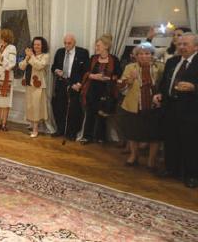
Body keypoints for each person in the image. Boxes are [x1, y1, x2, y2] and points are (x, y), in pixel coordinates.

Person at [153, 32, 198, 188]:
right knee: (171, 140)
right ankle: (171, 169)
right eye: (179, 44)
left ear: (196, 46)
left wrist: (194, 87)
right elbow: (164, 83)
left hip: (191, 111)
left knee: (190, 143)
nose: (181, 47)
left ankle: (192, 175)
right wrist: (159, 94)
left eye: (185, 44)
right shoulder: (172, 61)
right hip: (170, 108)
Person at [117, 42, 164, 171]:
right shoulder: (130, 67)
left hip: (154, 105)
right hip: (134, 105)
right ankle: (134, 156)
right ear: (136, 56)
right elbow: (120, 86)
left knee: (154, 134)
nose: (144, 56)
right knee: (133, 133)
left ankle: (151, 161)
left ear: (152, 55)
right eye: (140, 54)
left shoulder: (159, 68)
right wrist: (129, 80)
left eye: (147, 53)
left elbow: (165, 85)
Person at [80, 34, 121, 144]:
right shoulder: (93, 58)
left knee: (102, 115)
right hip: (92, 90)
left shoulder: (114, 60)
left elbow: (118, 76)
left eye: (98, 45)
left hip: (106, 91)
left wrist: (107, 78)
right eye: (96, 45)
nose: (96, 47)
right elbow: (85, 73)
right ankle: (87, 136)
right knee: (90, 114)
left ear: (106, 46)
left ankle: (100, 137)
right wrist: (94, 76)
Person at [50, 34, 89, 140]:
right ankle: (60, 130)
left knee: (74, 110)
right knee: (59, 108)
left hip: (75, 85)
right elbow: (53, 67)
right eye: (65, 43)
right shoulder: (60, 52)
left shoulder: (82, 53)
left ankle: (71, 133)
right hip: (61, 84)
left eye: (69, 43)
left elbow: (86, 71)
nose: (66, 45)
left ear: (74, 43)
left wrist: (80, 84)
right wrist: (56, 70)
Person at [19, 37, 50, 138]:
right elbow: (21, 66)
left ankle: (35, 129)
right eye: (35, 44)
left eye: (38, 45)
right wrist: (27, 58)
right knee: (30, 106)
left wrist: (31, 56)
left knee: (36, 107)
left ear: (42, 46)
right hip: (28, 83)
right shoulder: (30, 56)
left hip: (38, 85)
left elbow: (39, 66)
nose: (36, 46)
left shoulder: (45, 56)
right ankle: (32, 125)